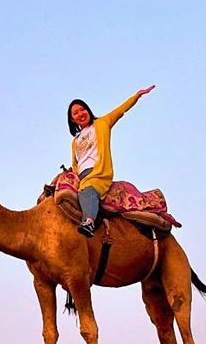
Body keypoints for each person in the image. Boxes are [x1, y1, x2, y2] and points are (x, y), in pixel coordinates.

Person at [67, 85, 156, 237]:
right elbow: (77, 163)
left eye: (83, 109)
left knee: (87, 190)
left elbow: (120, 110)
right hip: (80, 176)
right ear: (72, 119)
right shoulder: (74, 141)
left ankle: (89, 221)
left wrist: (137, 96)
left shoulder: (102, 123)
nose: (81, 113)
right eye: (76, 112)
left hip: (97, 173)